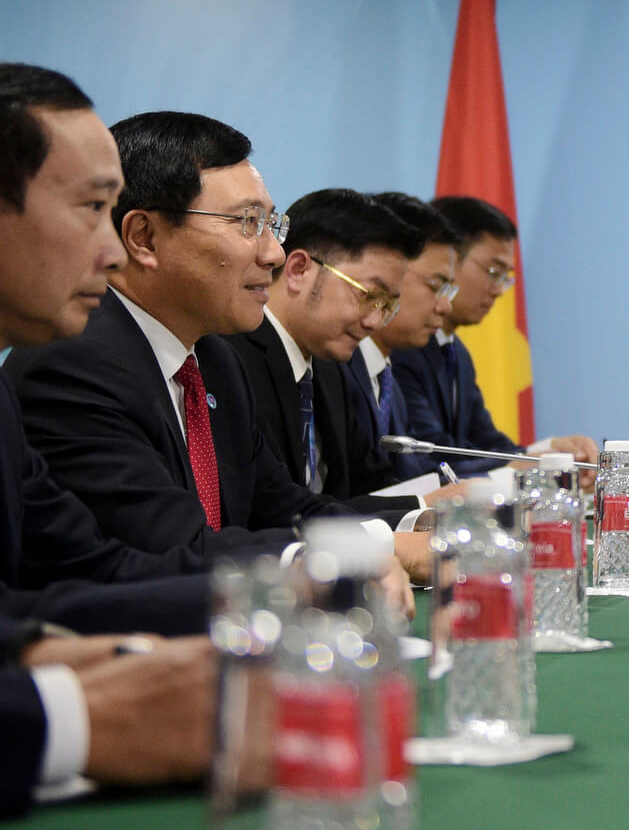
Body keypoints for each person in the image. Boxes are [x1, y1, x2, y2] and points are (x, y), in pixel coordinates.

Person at [2, 111, 428, 590]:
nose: (273, 255)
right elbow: (174, 548)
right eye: (247, 222)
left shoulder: (215, 358)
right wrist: (358, 554)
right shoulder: (74, 363)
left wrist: (403, 533)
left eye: (272, 224)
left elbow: (280, 504)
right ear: (144, 238)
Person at [0, 61, 228, 819]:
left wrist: (282, 593)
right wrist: (72, 719)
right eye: (92, 208)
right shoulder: (64, 368)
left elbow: (82, 568)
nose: (112, 251)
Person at [222, 187, 451, 515]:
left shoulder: (331, 366)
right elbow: (274, 509)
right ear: (299, 269)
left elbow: (369, 481)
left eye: (387, 305)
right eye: (368, 295)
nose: (374, 321)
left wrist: (439, 506)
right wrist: (422, 506)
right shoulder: (232, 359)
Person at [392, 195, 596, 474]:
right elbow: (432, 449)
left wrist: (548, 452)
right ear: (450, 257)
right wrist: (535, 459)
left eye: (505, 277)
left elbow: (484, 439)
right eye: (492, 271)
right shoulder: (400, 346)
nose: (500, 289)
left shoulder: (456, 352)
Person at [348, 191, 465, 481]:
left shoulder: (386, 376)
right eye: (436, 286)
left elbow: (414, 472)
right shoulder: (337, 368)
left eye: (449, 290)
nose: (445, 306)